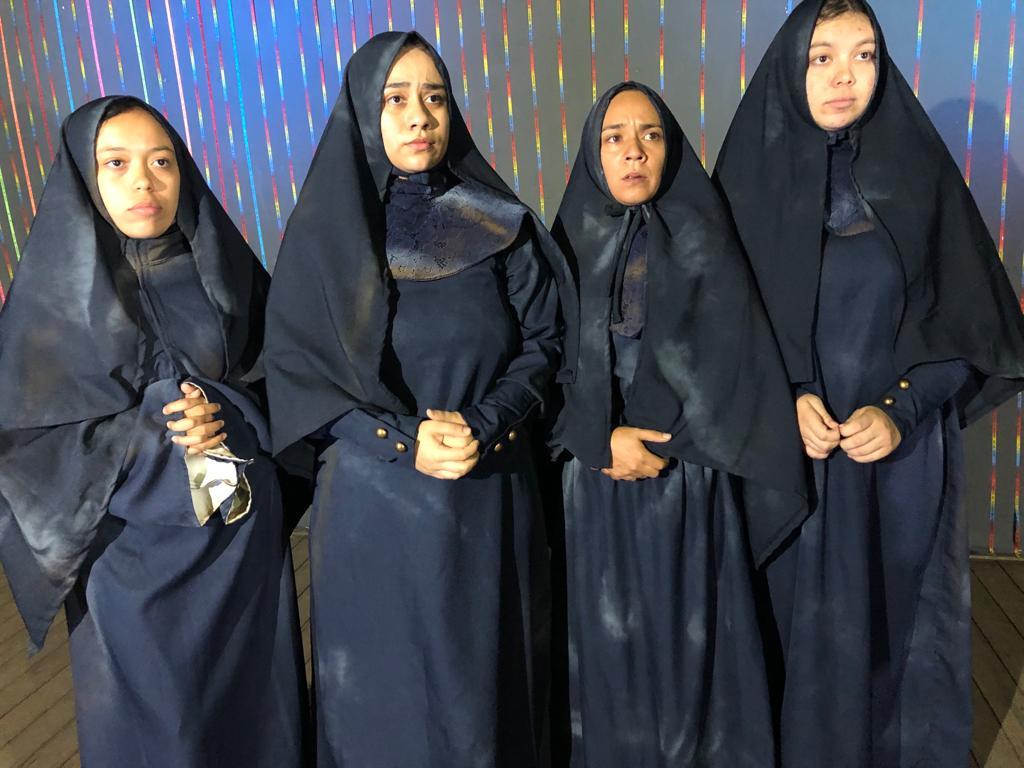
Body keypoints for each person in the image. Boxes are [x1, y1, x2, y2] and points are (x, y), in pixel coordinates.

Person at [714, 1, 1024, 765]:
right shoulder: (743, 184)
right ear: (791, 66)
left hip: (893, 461)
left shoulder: (920, 177)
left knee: (889, 644)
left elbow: (969, 331)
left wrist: (900, 409)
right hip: (784, 459)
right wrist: (787, 394)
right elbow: (715, 327)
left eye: (864, 54)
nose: (845, 75)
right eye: (822, 56)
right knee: (781, 633)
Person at [263, 32, 576, 768]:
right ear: (362, 114)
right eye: (395, 99)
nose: (419, 115)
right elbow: (303, 376)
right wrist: (405, 441)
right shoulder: (327, 236)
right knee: (386, 702)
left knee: (486, 694)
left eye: (434, 97)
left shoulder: (497, 222)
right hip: (375, 508)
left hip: (488, 489)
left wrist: (482, 424)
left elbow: (545, 342)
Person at [0, 96, 309, 768]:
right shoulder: (52, 304)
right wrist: (150, 429)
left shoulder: (221, 271)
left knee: (257, 715)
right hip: (130, 558)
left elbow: (283, 379)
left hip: (239, 544)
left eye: (161, 162)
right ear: (83, 177)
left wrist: (227, 413)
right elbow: (28, 446)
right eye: (116, 163)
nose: (144, 180)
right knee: (158, 730)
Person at [550, 81, 807, 768]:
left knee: (691, 648)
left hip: (689, 482)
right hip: (595, 486)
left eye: (651, 134)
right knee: (607, 650)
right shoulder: (564, 246)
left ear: (672, 150)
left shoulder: (708, 239)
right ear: (593, 152)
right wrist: (599, 441)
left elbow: (741, 368)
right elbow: (542, 369)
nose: (633, 151)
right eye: (614, 137)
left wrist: (668, 444)